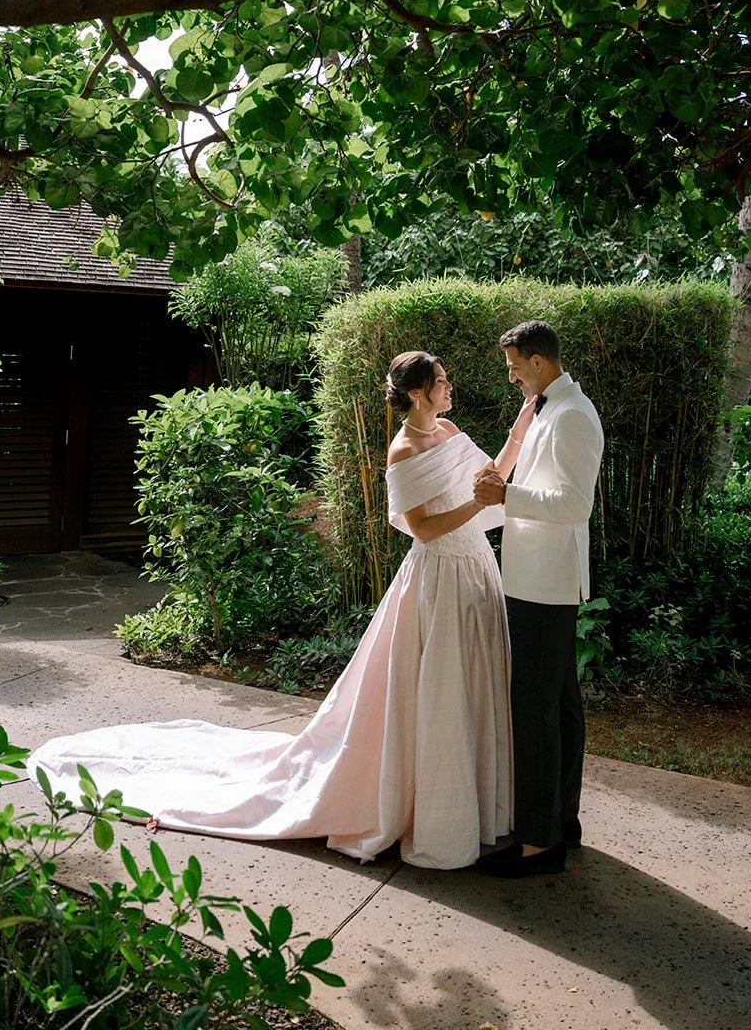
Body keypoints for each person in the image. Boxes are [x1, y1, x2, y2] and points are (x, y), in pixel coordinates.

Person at [27, 351, 533, 871]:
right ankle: (434, 814)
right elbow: (423, 528)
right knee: (440, 688)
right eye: (442, 381)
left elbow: (489, 477)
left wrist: (520, 428)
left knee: (472, 681)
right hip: (438, 578)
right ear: (418, 393)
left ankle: (473, 806)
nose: (450, 387)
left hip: (475, 567)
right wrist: (477, 504)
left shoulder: (449, 430)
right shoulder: (402, 450)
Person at [473, 319, 604, 879]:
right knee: (560, 704)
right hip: (536, 578)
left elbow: (575, 504)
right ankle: (560, 823)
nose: (511, 377)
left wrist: (507, 495)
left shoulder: (572, 415)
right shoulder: (548, 408)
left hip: (545, 583)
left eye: (513, 367)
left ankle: (537, 844)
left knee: (534, 707)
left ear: (538, 363)